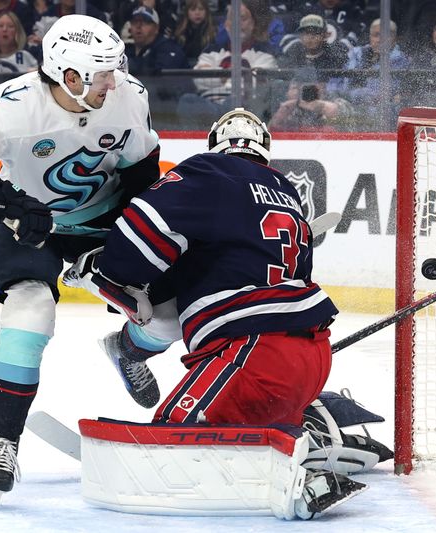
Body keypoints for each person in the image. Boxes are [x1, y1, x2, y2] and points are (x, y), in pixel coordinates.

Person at [62, 108, 370, 518]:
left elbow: (139, 233)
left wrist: (104, 271)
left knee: (170, 439)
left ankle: (298, 472)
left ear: (215, 145)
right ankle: (298, 428)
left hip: (252, 352)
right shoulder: (286, 189)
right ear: (264, 150)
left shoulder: (207, 171)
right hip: (313, 356)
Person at [0, 14, 160, 507]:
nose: (112, 82)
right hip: (26, 226)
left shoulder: (129, 96)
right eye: (101, 73)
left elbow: (142, 173)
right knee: (29, 312)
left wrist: (144, 234)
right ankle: (3, 441)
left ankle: (129, 348)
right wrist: (1, 209)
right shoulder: (11, 108)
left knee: (164, 312)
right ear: (69, 76)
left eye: (115, 69)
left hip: (103, 218)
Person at [176, 0, 277, 128]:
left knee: (235, 102)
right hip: (207, 107)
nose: (236, 23)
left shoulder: (265, 54)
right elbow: (199, 79)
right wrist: (232, 74)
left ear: (254, 23)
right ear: (226, 24)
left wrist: (218, 74)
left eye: (242, 18)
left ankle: (218, 123)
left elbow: (255, 88)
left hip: (244, 118)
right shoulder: (211, 51)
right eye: (232, 18)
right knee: (188, 100)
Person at [269, 67, 353, 131]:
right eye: (296, 88)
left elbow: (346, 121)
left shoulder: (335, 99)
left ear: (323, 87)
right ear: (287, 93)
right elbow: (273, 129)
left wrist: (321, 106)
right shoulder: (288, 108)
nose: (303, 92)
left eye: (309, 88)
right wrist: (285, 109)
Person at [125, 5, 188, 75]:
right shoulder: (127, 50)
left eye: (145, 22)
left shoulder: (168, 48)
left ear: (156, 28)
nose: (138, 26)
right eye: (135, 22)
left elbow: (164, 75)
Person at [172, 0, 216, 65]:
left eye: (201, 9)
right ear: (187, 13)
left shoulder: (213, 32)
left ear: (206, 12)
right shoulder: (179, 33)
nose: (197, 13)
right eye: (193, 9)